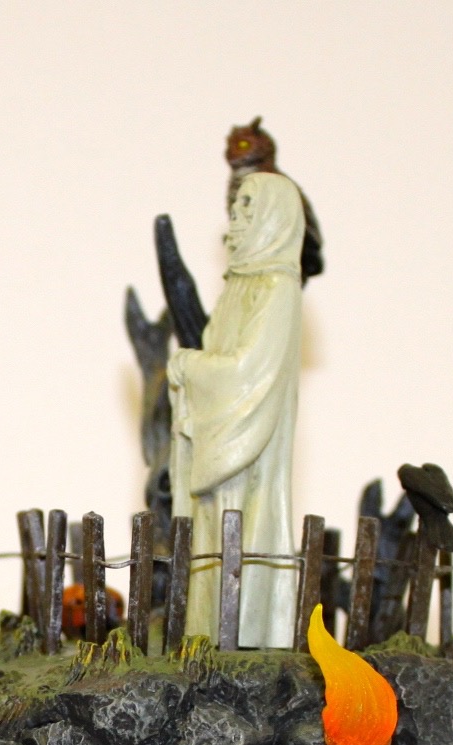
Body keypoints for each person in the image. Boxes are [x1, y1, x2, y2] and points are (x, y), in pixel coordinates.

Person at [167, 172, 304, 649]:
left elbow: (249, 371)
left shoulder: (277, 288)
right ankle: (208, 636)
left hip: (246, 442)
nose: (237, 217)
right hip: (218, 437)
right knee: (212, 541)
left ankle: (247, 635)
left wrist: (188, 365)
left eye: (249, 206)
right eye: (236, 206)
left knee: (245, 533)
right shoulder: (235, 290)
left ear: (274, 217)